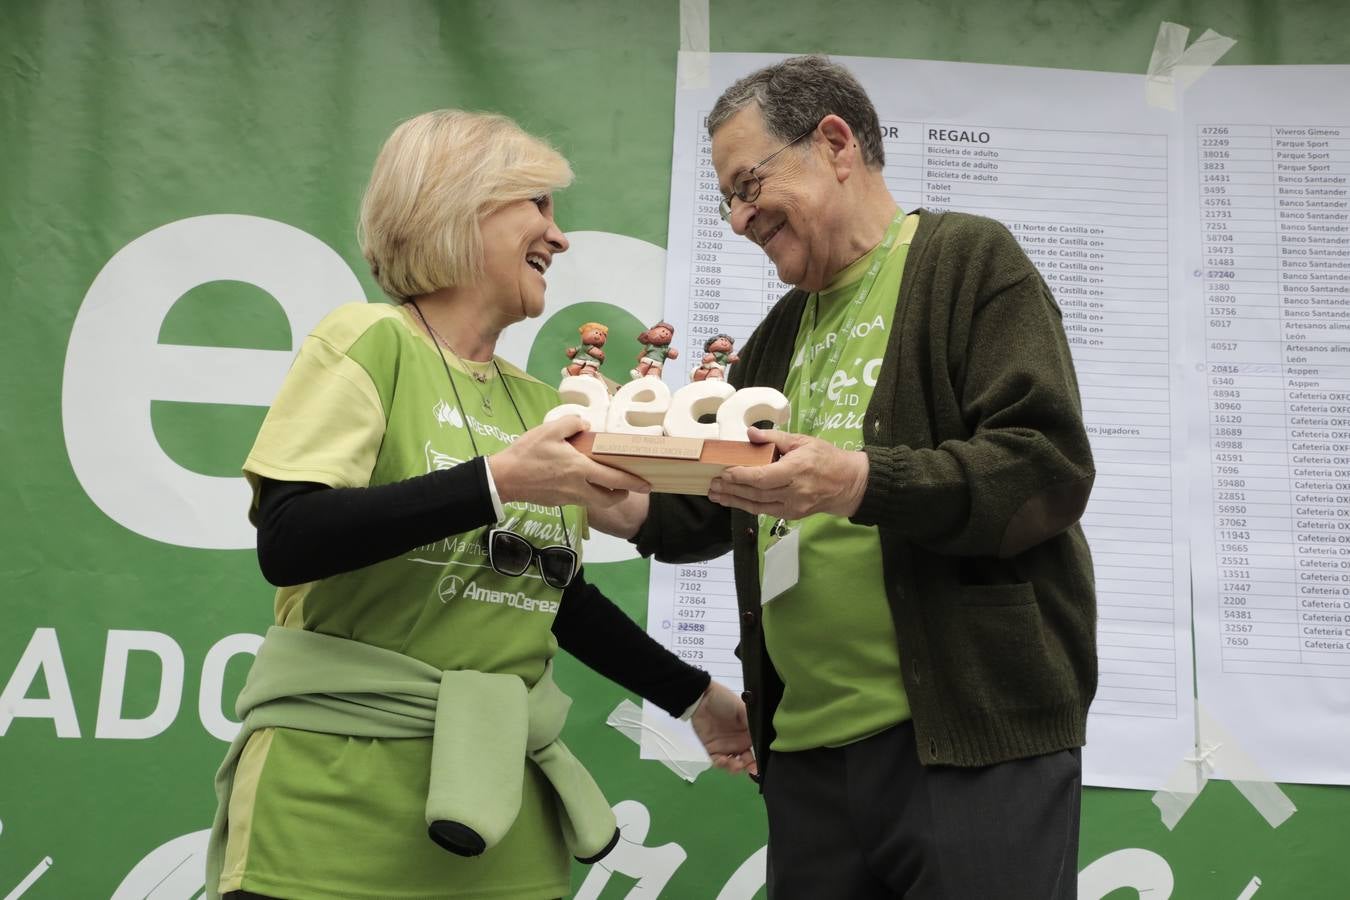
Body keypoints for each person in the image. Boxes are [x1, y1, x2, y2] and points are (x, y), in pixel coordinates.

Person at [206, 110, 751, 900]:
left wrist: (696, 699)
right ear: (459, 206)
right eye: (538, 205)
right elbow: (290, 539)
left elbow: (545, 591)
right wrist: (495, 482)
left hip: (501, 818)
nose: (559, 239)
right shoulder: (367, 342)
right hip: (332, 806)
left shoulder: (539, 404)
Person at [616, 56, 1098, 899]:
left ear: (835, 143)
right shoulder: (780, 331)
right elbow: (713, 503)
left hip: (966, 745)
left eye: (748, 183)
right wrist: (621, 502)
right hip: (805, 760)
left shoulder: (969, 262)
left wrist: (856, 483)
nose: (737, 219)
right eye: (726, 198)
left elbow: (1043, 467)